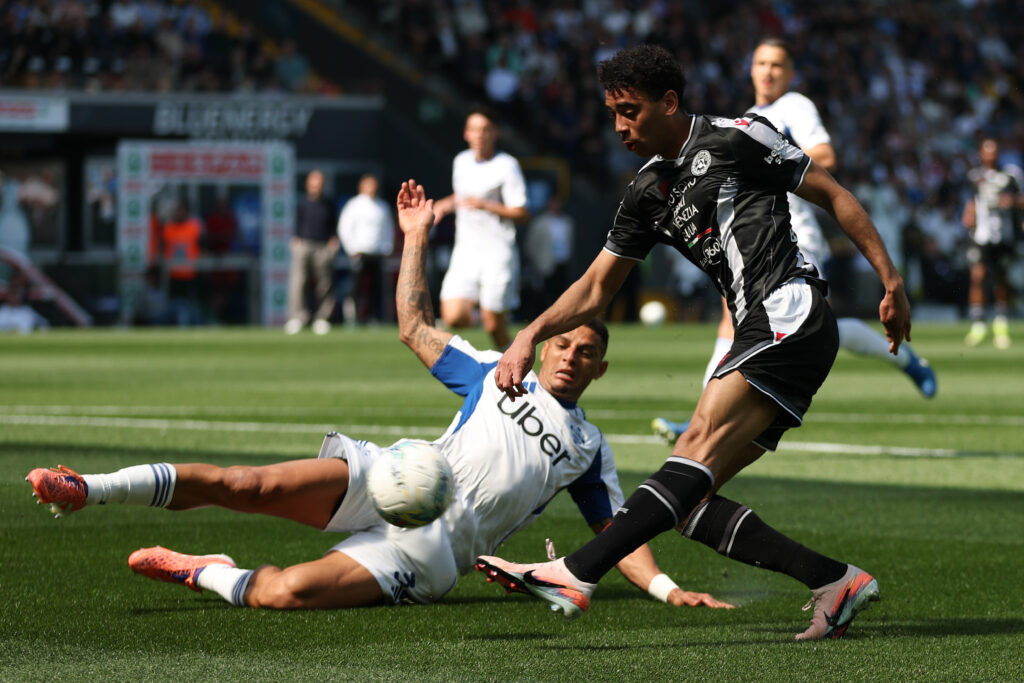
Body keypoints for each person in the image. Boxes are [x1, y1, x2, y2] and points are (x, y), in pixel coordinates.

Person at [24, 179, 735, 613]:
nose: (574, 357)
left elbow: (618, 532)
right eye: (566, 344)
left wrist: (668, 588)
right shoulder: (492, 368)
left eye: (589, 353)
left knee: (284, 593)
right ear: (545, 343)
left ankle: (203, 568)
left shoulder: (588, 448)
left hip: (432, 554)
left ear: (600, 371)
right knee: (248, 481)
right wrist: (417, 237)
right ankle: (89, 486)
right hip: (391, 474)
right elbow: (414, 326)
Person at [478, 44, 911, 640]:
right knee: (688, 501)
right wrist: (530, 333)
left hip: (789, 309)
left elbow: (833, 193)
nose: (619, 125)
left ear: (670, 102)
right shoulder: (646, 192)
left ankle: (576, 574)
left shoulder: (738, 137)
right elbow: (596, 288)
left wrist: (891, 281)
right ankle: (835, 582)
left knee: (694, 448)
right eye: (612, 113)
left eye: (630, 110)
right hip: (762, 327)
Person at [653, 38, 934, 442]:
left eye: (777, 65)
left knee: (816, 324)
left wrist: (769, 161)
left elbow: (825, 155)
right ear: (751, 69)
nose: (768, 71)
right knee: (730, 319)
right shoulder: (748, 117)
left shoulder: (795, 107)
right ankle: (702, 420)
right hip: (752, 234)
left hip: (795, 233)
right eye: (762, 63)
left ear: (790, 73)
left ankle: (907, 360)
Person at [433, 106, 529, 349]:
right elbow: (461, 197)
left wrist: (486, 205)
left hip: (497, 252)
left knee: (494, 326)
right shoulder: (461, 161)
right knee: (452, 316)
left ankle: (517, 371)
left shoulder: (507, 165)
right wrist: (443, 205)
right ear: (466, 133)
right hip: (465, 251)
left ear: (494, 133)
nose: (479, 135)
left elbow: (521, 212)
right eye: (474, 129)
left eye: (485, 129)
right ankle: (481, 313)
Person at [962, 137, 1022, 349]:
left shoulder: (1010, 176)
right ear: (981, 154)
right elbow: (970, 202)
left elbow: (1021, 199)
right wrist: (968, 215)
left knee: (1000, 279)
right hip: (981, 235)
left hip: (1003, 235)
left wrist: (1012, 202)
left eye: (994, 151)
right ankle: (978, 324)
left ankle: (1001, 323)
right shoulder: (974, 177)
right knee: (977, 275)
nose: (991, 155)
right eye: (987, 151)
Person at [285, 169, 340, 335]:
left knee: (325, 283)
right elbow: (297, 223)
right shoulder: (302, 203)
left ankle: (322, 318)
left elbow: (333, 226)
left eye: (319, 184)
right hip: (304, 245)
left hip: (323, 246)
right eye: (314, 184)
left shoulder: (330, 204)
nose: (316, 187)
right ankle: (297, 317)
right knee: (298, 281)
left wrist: (333, 240)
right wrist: (296, 239)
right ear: (308, 185)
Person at [337, 173, 395, 324]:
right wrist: (351, 249)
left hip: (377, 253)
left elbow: (388, 229)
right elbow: (345, 227)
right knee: (357, 287)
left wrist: (387, 248)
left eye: (374, 185)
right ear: (361, 187)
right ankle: (354, 318)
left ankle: (375, 317)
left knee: (377, 288)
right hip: (360, 252)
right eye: (369, 185)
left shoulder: (382, 206)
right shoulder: (354, 205)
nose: (372, 188)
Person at [522, 195, 574, 319]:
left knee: (561, 293)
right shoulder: (540, 222)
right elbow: (531, 245)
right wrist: (538, 262)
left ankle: (560, 318)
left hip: (562, 263)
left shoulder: (567, 222)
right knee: (545, 294)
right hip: (546, 265)